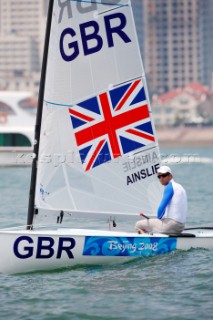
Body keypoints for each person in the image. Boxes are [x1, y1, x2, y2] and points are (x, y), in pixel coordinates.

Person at [135, 165, 187, 235]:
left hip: (170, 226)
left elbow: (161, 208)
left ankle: (149, 242)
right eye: (159, 177)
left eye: (164, 175)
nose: (161, 178)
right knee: (154, 224)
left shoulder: (169, 187)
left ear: (170, 176)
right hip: (181, 226)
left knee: (138, 225)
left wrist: (159, 219)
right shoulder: (180, 187)